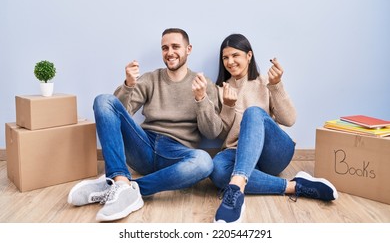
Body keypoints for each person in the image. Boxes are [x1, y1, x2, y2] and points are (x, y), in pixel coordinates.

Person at [67, 28, 223, 222]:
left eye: (176, 46)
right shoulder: (151, 79)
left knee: (204, 162)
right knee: (103, 100)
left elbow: (213, 132)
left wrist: (201, 99)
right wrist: (128, 85)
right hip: (144, 145)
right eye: (165, 48)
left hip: (176, 153)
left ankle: (125, 187)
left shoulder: (203, 83)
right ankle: (120, 179)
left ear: (188, 49)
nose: (170, 52)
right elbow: (116, 113)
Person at [210, 33, 338, 223]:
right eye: (225, 58)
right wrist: (228, 106)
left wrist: (276, 86)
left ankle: (235, 188)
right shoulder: (220, 89)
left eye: (235, 55)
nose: (230, 61)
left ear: (249, 56)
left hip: (273, 153)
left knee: (253, 112)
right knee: (217, 171)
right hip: (237, 153)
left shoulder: (265, 82)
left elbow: (289, 119)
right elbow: (220, 133)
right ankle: (295, 186)